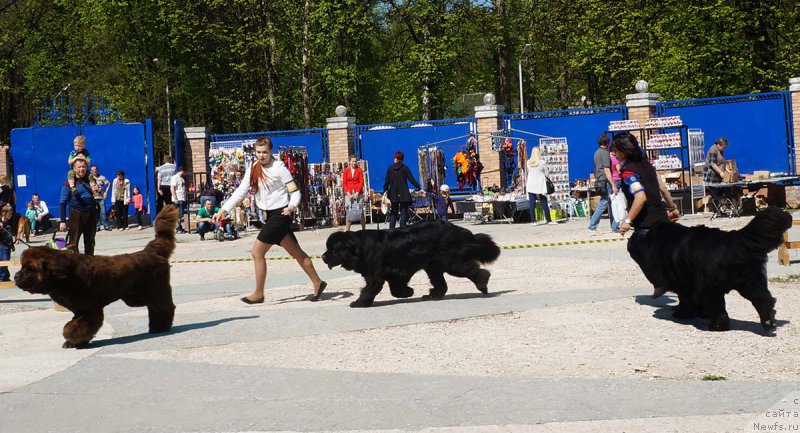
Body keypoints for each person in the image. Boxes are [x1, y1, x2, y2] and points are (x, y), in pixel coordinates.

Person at [212, 137, 326, 303]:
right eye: (258, 152)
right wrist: (223, 209)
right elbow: (241, 191)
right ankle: (318, 282)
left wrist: (291, 206)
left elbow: (295, 192)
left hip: (281, 215)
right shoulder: (253, 167)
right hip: (269, 216)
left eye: (264, 152)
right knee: (297, 253)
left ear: (271, 151)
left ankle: (258, 294)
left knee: (257, 252)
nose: (261, 155)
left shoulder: (279, 167)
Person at [613, 132, 680, 299]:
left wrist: (628, 220)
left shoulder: (628, 172)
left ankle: (660, 283)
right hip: (662, 219)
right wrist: (672, 207)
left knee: (635, 247)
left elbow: (640, 197)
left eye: (615, 150)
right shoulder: (648, 165)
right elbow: (662, 188)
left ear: (624, 151)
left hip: (647, 223)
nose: (614, 154)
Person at [59, 158, 99, 255]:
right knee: (73, 242)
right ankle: (74, 263)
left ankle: (89, 262)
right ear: (74, 168)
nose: (82, 169)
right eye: (79, 167)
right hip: (76, 214)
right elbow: (63, 202)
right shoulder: (69, 183)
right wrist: (63, 221)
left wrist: (98, 190)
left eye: (84, 167)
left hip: (90, 214)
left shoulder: (90, 180)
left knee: (90, 242)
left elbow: (97, 193)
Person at [587, 134, 619, 233]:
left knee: (609, 203)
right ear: (607, 143)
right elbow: (607, 170)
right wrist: (613, 184)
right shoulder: (605, 153)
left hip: (599, 180)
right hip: (605, 181)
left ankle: (614, 227)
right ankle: (592, 226)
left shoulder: (596, 153)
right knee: (604, 203)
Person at [383, 151, 421, 229]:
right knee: (403, 213)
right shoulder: (405, 168)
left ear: (395, 158)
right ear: (402, 159)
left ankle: (391, 231)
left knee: (393, 213)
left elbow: (386, 181)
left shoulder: (390, 168)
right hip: (404, 194)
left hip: (393, 194)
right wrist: (419, 187)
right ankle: (402, 230)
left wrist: (385, 190)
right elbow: (411, 179)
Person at [526, 146, 557, 225]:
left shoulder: (528, 162)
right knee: (544, 202)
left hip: (531, 184)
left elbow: (529, 171)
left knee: (532, 203)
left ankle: (533, 221)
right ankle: (548, 220)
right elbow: (546, 172)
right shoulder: (542, 162)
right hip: (540, 183)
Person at [703, 137, 732, 213]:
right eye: (723, 147)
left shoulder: (721, 150)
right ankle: (716, 211)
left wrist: (728, 171)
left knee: (722, 192)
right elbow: (712, 164)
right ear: (719, 144)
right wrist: (720, 172)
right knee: (715, 194)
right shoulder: (713, 149)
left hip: (718, 176)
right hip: (711, 176)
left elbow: (722, 162)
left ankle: (721, 209)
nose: (724, 149)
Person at [343, 155, 367, 231]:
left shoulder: (359, 170)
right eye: (352, 161)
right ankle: (347, 231)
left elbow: (361, 182)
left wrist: (357, 193)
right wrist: (348, 194)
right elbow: (344, 183)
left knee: (360, 212)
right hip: (349, 194)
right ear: (349, 162)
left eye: (355, 161)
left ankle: (364, 230)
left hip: (358, 194)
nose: (354, 163)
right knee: (349, 212)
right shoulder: (346, 171)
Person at [90, 165, 111, 231]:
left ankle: (106, 226)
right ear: (91, 171)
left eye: (95, 169)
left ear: (97, 170)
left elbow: (108, 184)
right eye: (93, 170)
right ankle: (97, 226)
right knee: (96, 213)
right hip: (93, 198)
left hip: (101, 198)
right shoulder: (90, 178)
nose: (94, 171)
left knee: (103, 212)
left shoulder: (102, 177)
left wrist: (106, 192)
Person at [170, 166, 188, 233]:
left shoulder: (181, 178)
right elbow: (172, 188)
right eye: (184, 172)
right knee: (179, 214)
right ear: (182, 171)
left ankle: (180, 227)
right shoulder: (175, 178)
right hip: (178, 198)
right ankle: (178, 228)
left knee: (181, 214)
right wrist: (175, 198)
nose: (185, 173)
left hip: (182, 197)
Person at [0, 204, 14, 282]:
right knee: (4, 261)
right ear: (4, 213)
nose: (11, 216)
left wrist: (12, 245)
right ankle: (2, 278)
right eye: (10, 214)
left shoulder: (8, 222)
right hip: (2, 245)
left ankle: (5, 276)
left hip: (8, 245)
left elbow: (10, 235)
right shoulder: (1, 223)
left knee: (6, 261)